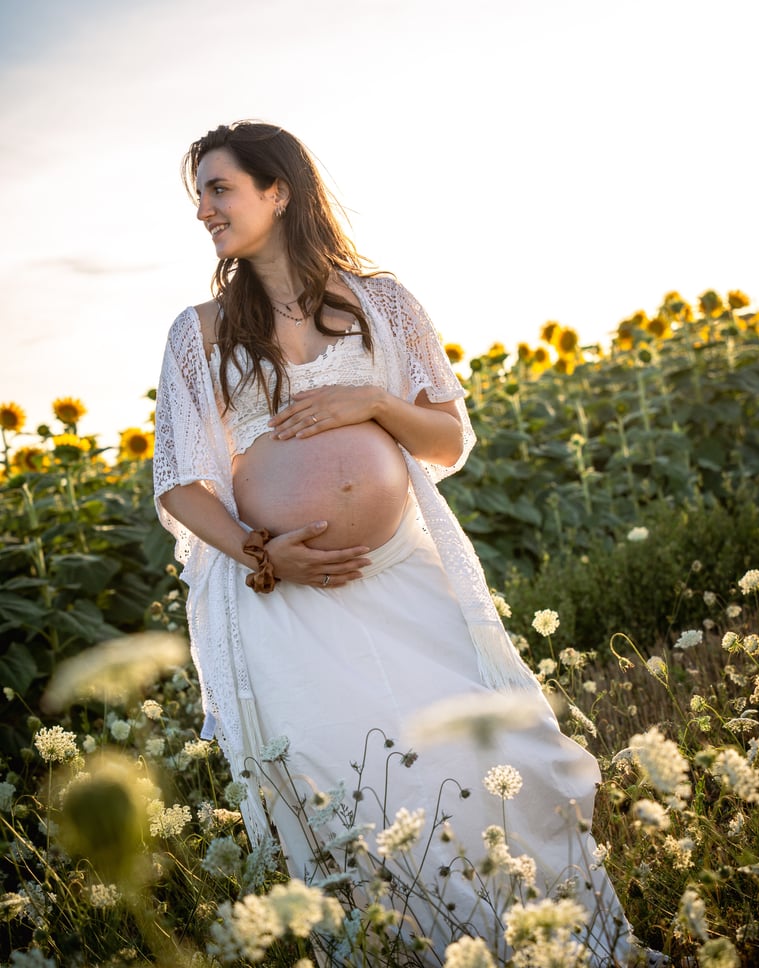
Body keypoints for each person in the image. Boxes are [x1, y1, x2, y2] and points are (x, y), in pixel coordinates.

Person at [153, 121, 649, 966]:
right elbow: (179, 481)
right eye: (198, 192)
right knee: (346, 789)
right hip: (285, 597)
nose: (202, 208)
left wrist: (371, 405)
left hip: (401, 575)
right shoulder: (198, 332)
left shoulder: (380, 303)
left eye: (218, 187)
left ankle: (551, 945)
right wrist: (262, 553)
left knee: (491, 757)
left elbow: (448, 441)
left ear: (278, 189)